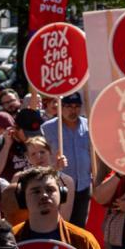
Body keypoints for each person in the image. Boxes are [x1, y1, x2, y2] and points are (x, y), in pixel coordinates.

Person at [40, 92, 92, 227]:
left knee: (80, 226)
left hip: (83, 186)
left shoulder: (88, 125)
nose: (73, 110)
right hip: (60, 185)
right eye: (68, 106)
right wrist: (53, 166)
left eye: (76, 106)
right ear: (60, 106)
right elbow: (41, 157)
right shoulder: (48, 128)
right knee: (61, 224)